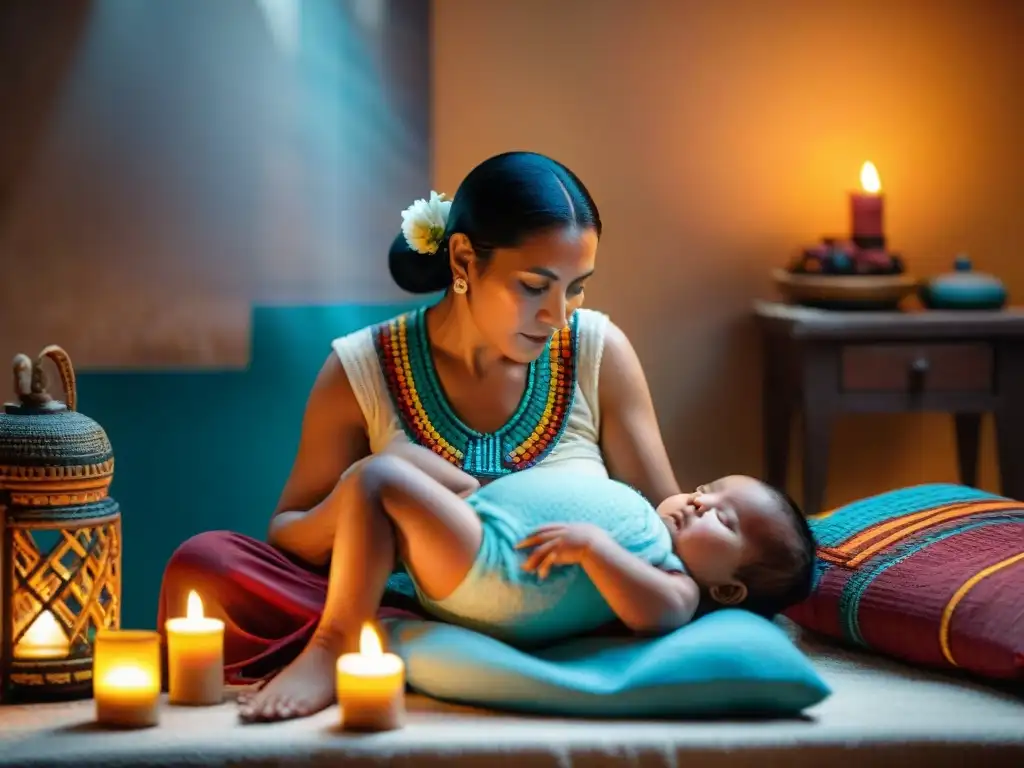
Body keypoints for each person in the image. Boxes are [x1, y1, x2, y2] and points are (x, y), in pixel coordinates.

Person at [156, 150, 735, 716]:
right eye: (535, 286)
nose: (558, 315)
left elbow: (666, 525)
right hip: (406, 597)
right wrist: (368, 489)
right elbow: (286, 537)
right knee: (207, 565)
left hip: (559, 602)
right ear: (462, 261)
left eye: (575, 287)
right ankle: (379, 636)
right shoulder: (362, 367)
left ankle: (407, 645)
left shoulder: (596, 351)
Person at [237, 445, 814, 721]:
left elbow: (655, 614)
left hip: (492, 569)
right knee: (401, 457)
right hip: (483, 514)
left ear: (730, 590)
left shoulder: (677, 584)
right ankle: (316, 536)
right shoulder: (660, 531)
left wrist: (596, 548)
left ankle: (332, 642)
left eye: (724, 518)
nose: (698, 499)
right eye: (708, 486)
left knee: (381, 479)